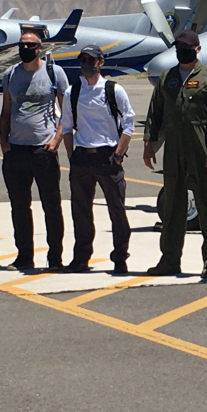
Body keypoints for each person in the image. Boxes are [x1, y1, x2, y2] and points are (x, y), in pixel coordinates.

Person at [143, 29, 207, 278]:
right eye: (178, 47)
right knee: (173, 207)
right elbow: (155, 112)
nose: (182, 51)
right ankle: (170, 259)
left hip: (202, 150)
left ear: (197, 50)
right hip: (174, 151)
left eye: (186, 47)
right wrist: (150, 143)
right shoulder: (168, 78)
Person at [0, 26, 70, 272]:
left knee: (51, 205)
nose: (26, 49)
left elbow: (67, 111)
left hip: (44, 150)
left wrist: (57, 139)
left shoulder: (54, 73)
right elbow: (6, 110)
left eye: (31, 45)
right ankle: (24, 256)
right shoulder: (10, 75)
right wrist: (5, 143)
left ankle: (55, 258)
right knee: (19, 206)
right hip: (16, 151)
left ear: (40, 48)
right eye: (22, 45)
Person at [62, 45, 136, 273]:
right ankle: (81, 258)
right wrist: (72, 155)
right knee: (81, 211)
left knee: (117, 210)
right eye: (83, 59)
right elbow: (66, 127)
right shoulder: (71, 92)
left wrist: (118, 154)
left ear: (101, 63)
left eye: (91, 60)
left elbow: (128, 124)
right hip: (82, 157)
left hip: (108, 157)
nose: (87, 64)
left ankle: (120, 257)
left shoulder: (114, 90)